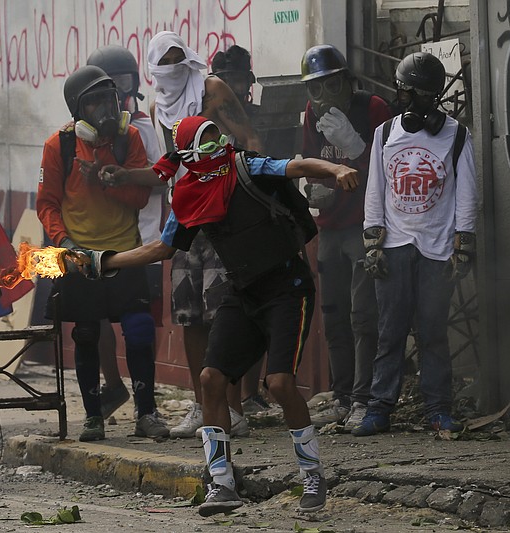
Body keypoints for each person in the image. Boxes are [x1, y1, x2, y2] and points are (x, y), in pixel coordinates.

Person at [73, 115, 359, 515]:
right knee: (210, 379)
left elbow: (294, 166)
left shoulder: (244, 165)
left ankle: (312, 476)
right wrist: (104, 262)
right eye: (206, 142)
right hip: (242, 293)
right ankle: (221, 483)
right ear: (188, 154)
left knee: (278, 383)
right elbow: (160, 250)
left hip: (287, 290)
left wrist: (335, 168)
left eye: (217, 137)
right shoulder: (188, 195)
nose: (217, 145)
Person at [36, 65, 169, 441]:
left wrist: (107, 180)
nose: (105, 110)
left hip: (125, 252)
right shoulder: (58, 145)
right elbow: (46, 205)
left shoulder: (129, 140)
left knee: (139, 327)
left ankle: (147, 413)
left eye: (108, 100)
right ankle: (93, 417)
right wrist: (63, 244)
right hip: (81, 258)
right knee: (86, 333)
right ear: (78, 110)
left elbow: (141, 196)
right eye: (93, 102)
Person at [147, 31, 263, 439]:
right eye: (167, 64)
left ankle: (233, 409)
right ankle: (202, 406)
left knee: (222, 312)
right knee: (189, 314)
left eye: (181, 61)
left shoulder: (210, 89)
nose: (175, 71)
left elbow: (248, 139)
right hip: (184, 219)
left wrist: (249, 192)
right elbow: (169, 162)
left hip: (223, 214)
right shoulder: (156, 105)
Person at [354, 51, 477, 437]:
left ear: (434, 97)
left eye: (423, 95)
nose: (414, 102)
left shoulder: (456, 135)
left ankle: (439, 410)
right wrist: (373, 241)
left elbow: (468, 194)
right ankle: (379, 409)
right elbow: (375, 189)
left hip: (437, 249)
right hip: (394, 245)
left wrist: (464, 245)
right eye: (409, 93)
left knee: (433, 333)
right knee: (389, 331)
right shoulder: (386, 133)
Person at [300, 45, 392, 431]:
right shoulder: (311, 115)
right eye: (315, 89)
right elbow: (310, 160)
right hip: (330, 226)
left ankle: (363, 397)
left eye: (330, 85)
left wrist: (355, 145)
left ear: (346, 81)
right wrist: (316, 189)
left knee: (363, 315)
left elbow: (390, 170)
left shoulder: (373, 109)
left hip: (362, 225)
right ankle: (340, 395)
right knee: (334, 314)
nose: (322, 97)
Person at [86, 44, 166, 420]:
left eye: (121, 83)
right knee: (96, 319)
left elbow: (159, 180)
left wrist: (118, 179)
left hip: (144, 238)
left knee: (141, 325)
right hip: (99, 242)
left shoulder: (142, 129)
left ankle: (144, 401)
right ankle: (114, 385)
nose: (115, 93)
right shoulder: (80, 136)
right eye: (106, 86)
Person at [210, 44, 271, 415]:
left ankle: (252, 393)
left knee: (261, 307)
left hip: (261, 217)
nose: (234, 87)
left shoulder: (259, 119)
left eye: (239, 79)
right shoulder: (209, 119)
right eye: (227, 79)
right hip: (221, 219)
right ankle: (230, 398)